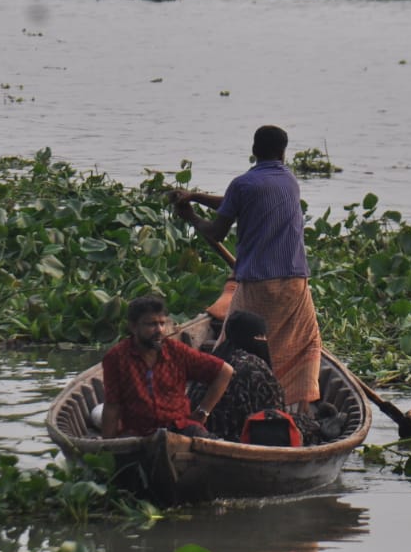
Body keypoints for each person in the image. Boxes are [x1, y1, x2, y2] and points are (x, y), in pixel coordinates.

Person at [170, 125, 322, 414]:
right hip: (295, 283)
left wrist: (190, 216)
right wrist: (195, 196)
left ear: (254, 152)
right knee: (306, 342)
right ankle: (301, 409)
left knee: (233, 343)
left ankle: (213, 401)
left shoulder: (243, 184)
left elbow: (216, 231)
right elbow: (235, 203)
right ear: (283, 153)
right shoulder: (289, 181)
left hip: (257, 284)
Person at [100, 295, 233, 438]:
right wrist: (107, 445)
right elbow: (112, 405)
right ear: (133, 327)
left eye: (162, 324)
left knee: (209, 443)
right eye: (151, 324)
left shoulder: (176, 350)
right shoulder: (116, 357)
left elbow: (225, 371)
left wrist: (203, 411)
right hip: (139, 433)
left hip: (179, 428)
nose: (159, 330)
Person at [190, 310, 286, 441]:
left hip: (198, 430)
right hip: (238, 437)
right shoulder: (254, 367)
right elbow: (277, 413)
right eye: (260, 336)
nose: (264, 340)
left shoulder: (215, 357)